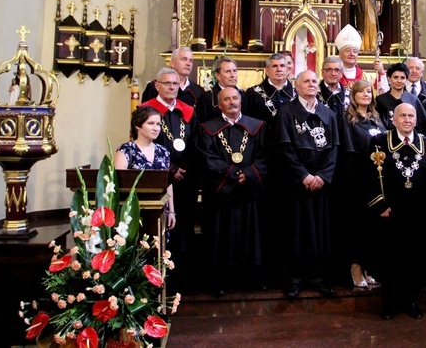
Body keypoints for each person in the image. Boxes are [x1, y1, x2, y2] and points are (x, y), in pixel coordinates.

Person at [365, 103, 426, 320]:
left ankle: (411, 302)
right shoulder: (378, 143)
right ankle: (390, 304)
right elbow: (368, 177)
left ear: (416, 120)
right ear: (394, 120)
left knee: (415, 261)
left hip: (419, 216)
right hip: (391, 214)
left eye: (411, 116)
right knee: (391, 261)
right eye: (403, 116)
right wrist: (380, 205)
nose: (407, 120)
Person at [195, 86, 268, 297]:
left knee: (251, 236)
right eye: (226, 99)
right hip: (221, 195)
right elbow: (206, 158)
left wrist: (251, 174)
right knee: (220, 237)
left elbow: (266, 155)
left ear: (241, 101)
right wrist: (234, 174)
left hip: (250, 193)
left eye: (235, 98)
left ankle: (250, 278)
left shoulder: (258, 127)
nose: (232, 102)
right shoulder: (207, 128)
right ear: (219, 104)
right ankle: (220, 280)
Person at [275, 70, 339, 300]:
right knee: (296, 232)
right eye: (307, 81)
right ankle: (294, 279)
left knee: (320, 232)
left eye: (314, 81)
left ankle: (318, 277)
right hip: (296, 185)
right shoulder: (286, 112)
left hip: (321, 185)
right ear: (296, 85)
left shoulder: (328, 113)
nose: (312, 85)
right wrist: (303, 175)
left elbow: (334, 148)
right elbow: (284, 148)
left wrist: (322, 176)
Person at [139, 68, 200, 291]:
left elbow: (195, 142)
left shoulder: (188, 111)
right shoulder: (146, 112)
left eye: (175, 84)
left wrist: (183, 167)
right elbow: (145, 143)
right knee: (159, 228)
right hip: (157, 179)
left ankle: (182, 278)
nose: (172, 87)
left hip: (186, 180)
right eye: (167, 83)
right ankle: (157, 278)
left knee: (184, 225)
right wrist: (171, 169)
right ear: (157, 85)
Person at [335, 80, 386, 289]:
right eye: (361, 91)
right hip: (355, 180)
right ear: (353, 95)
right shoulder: (347, 119)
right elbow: (347, 151)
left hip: (376, 180)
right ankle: (355, 268)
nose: (366, 94)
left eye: (369, 91)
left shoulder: (376, 118)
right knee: (356, 226)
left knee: (371, 227)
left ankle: (368, 266)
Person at [113, 106, 176, 233]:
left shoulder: (163, 151)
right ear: (138, 126)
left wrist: (171, 211)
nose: (156, 128)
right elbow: (118, 183)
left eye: (158, 124)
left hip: (159, 211)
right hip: (133, 212)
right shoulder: (126, 150)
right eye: (150, 123)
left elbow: (168, 184)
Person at [243, 53, 296, 126]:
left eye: (282, 66)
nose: (279, 69)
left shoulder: (298, 93)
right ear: (267, 71)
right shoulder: (253, 93)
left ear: (287, 70)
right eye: (275, 66)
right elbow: (247, 121)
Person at [334, 24, 388, 93]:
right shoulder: (334, 75)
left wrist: (381, 72)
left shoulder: (366, 78)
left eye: (355, 51)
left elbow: (381, 94)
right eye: (348, 51)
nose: (352, 54)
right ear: (340, 54)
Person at [375, 62, 426, 130]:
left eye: (402, 78)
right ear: (389, 79)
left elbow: (422, 125)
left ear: (406, 79)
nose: (399, 81)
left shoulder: (413, 100)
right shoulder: (380, 101)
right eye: (395, 77)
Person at [195, 56, 243, 124]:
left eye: (234, 71)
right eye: (228, 72)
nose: (233, 75)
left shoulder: (243, 95)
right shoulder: (208, 97)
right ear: (218, 76)